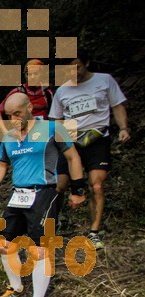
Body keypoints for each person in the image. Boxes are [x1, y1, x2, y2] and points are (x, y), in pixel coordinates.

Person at [0, 93, 86, 297]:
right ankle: (16, 286)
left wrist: (78, 189)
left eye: (17, 113)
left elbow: (73, 157)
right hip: (19, 194)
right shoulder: (9, 136)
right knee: (3, 244)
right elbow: (1, 164)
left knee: (40, 250)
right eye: (9, 116)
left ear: (30, 107)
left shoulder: (52, 128)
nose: (13, 119)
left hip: (45, 192)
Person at [49, 49, 130, 249]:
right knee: (59, 186)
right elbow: (56, 118)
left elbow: (117, 106)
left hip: (97, 139)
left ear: (86, 63)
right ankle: (53, 225)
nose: (73, 72)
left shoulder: (104, 80)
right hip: (71, 141)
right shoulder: (62, 90)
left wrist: (123, 128)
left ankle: (94, 232)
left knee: (97, 185)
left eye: (76, 66)